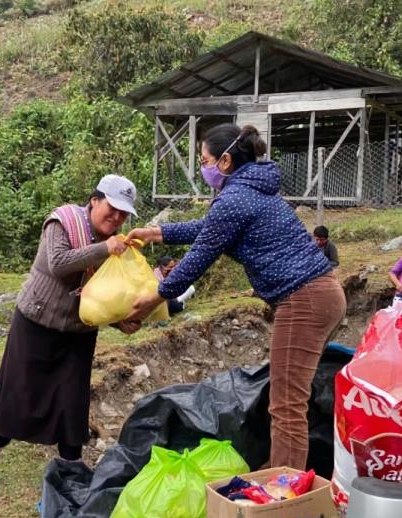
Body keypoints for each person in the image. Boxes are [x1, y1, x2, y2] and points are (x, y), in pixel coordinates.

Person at [125, 123, 346, 471]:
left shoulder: (235, 198)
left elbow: (199, 256)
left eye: (205, 159)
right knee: (290, 398)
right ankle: (283, 470)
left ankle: (283, 496)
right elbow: (209, 227)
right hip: (321, 293)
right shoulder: (249, 189)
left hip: (303, 299)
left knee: (286, 405)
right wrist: (156, 233)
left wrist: (153, 300)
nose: (203, 167)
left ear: (225, 160)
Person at [0, 174, 141, 490]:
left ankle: (72, 463)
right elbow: (60, 264)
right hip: (36, 321)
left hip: (78, 331)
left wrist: (121, 321)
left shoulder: (116, 245)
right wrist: (105, 248)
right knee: (17, 391)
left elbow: (103, 294)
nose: (117, 217)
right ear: (95, 200)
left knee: (72, 399)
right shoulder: (62, 222)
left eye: (123, 213)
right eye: (112, 208)